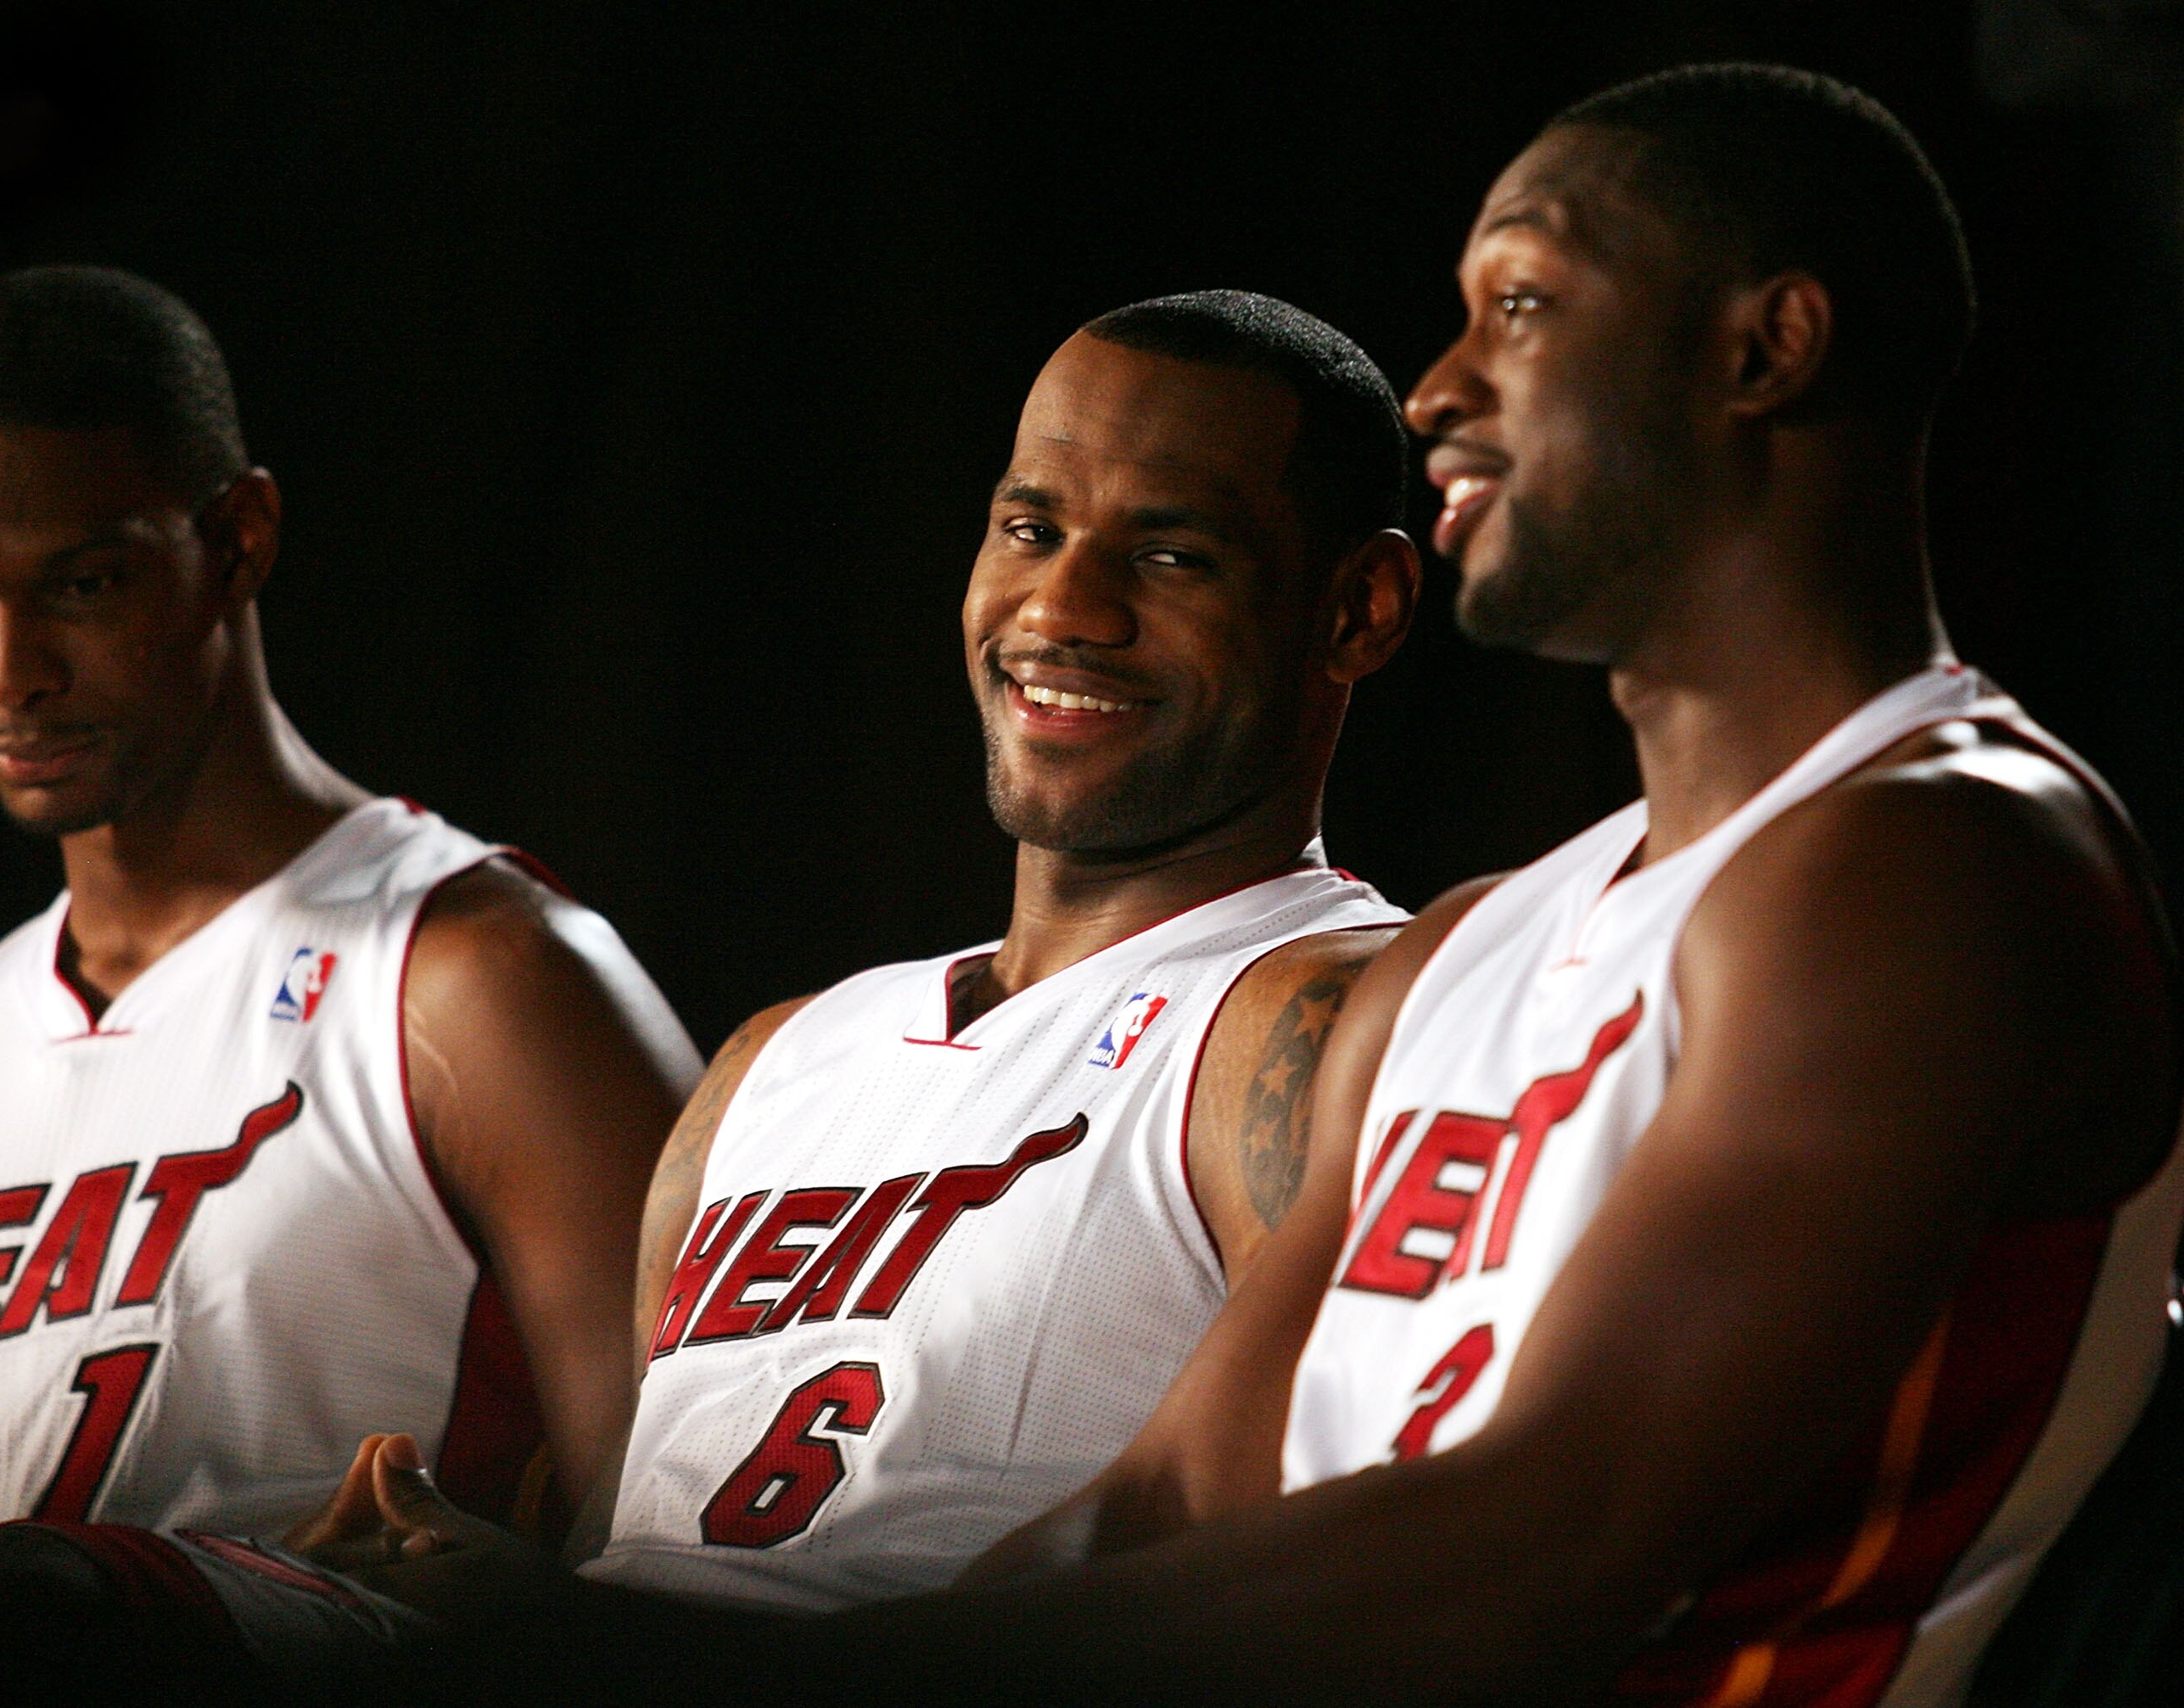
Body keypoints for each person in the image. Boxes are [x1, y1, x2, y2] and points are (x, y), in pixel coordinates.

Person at [0, 288, 1424, 1683]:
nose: (1062, 605)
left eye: (1178, 555)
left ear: (1357, 606)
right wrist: (456, 1573)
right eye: (1029, 526)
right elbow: (616, 1544)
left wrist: (570, 1640)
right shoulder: (783, 1055)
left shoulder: (1339, 1011)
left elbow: (1312, 1574)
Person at [799, 62, 2181, 1707]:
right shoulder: (1462, 947)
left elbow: (1539, 1548)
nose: (1439, 387)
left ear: (1766, 346)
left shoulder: (1944, 857)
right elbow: (1156, 1507)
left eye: (1519, 303)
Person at [0, 266, 701, 1626]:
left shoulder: (482, 983)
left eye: (80, 583)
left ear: (240, 538)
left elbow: (699, 1557)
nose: (6, 670)